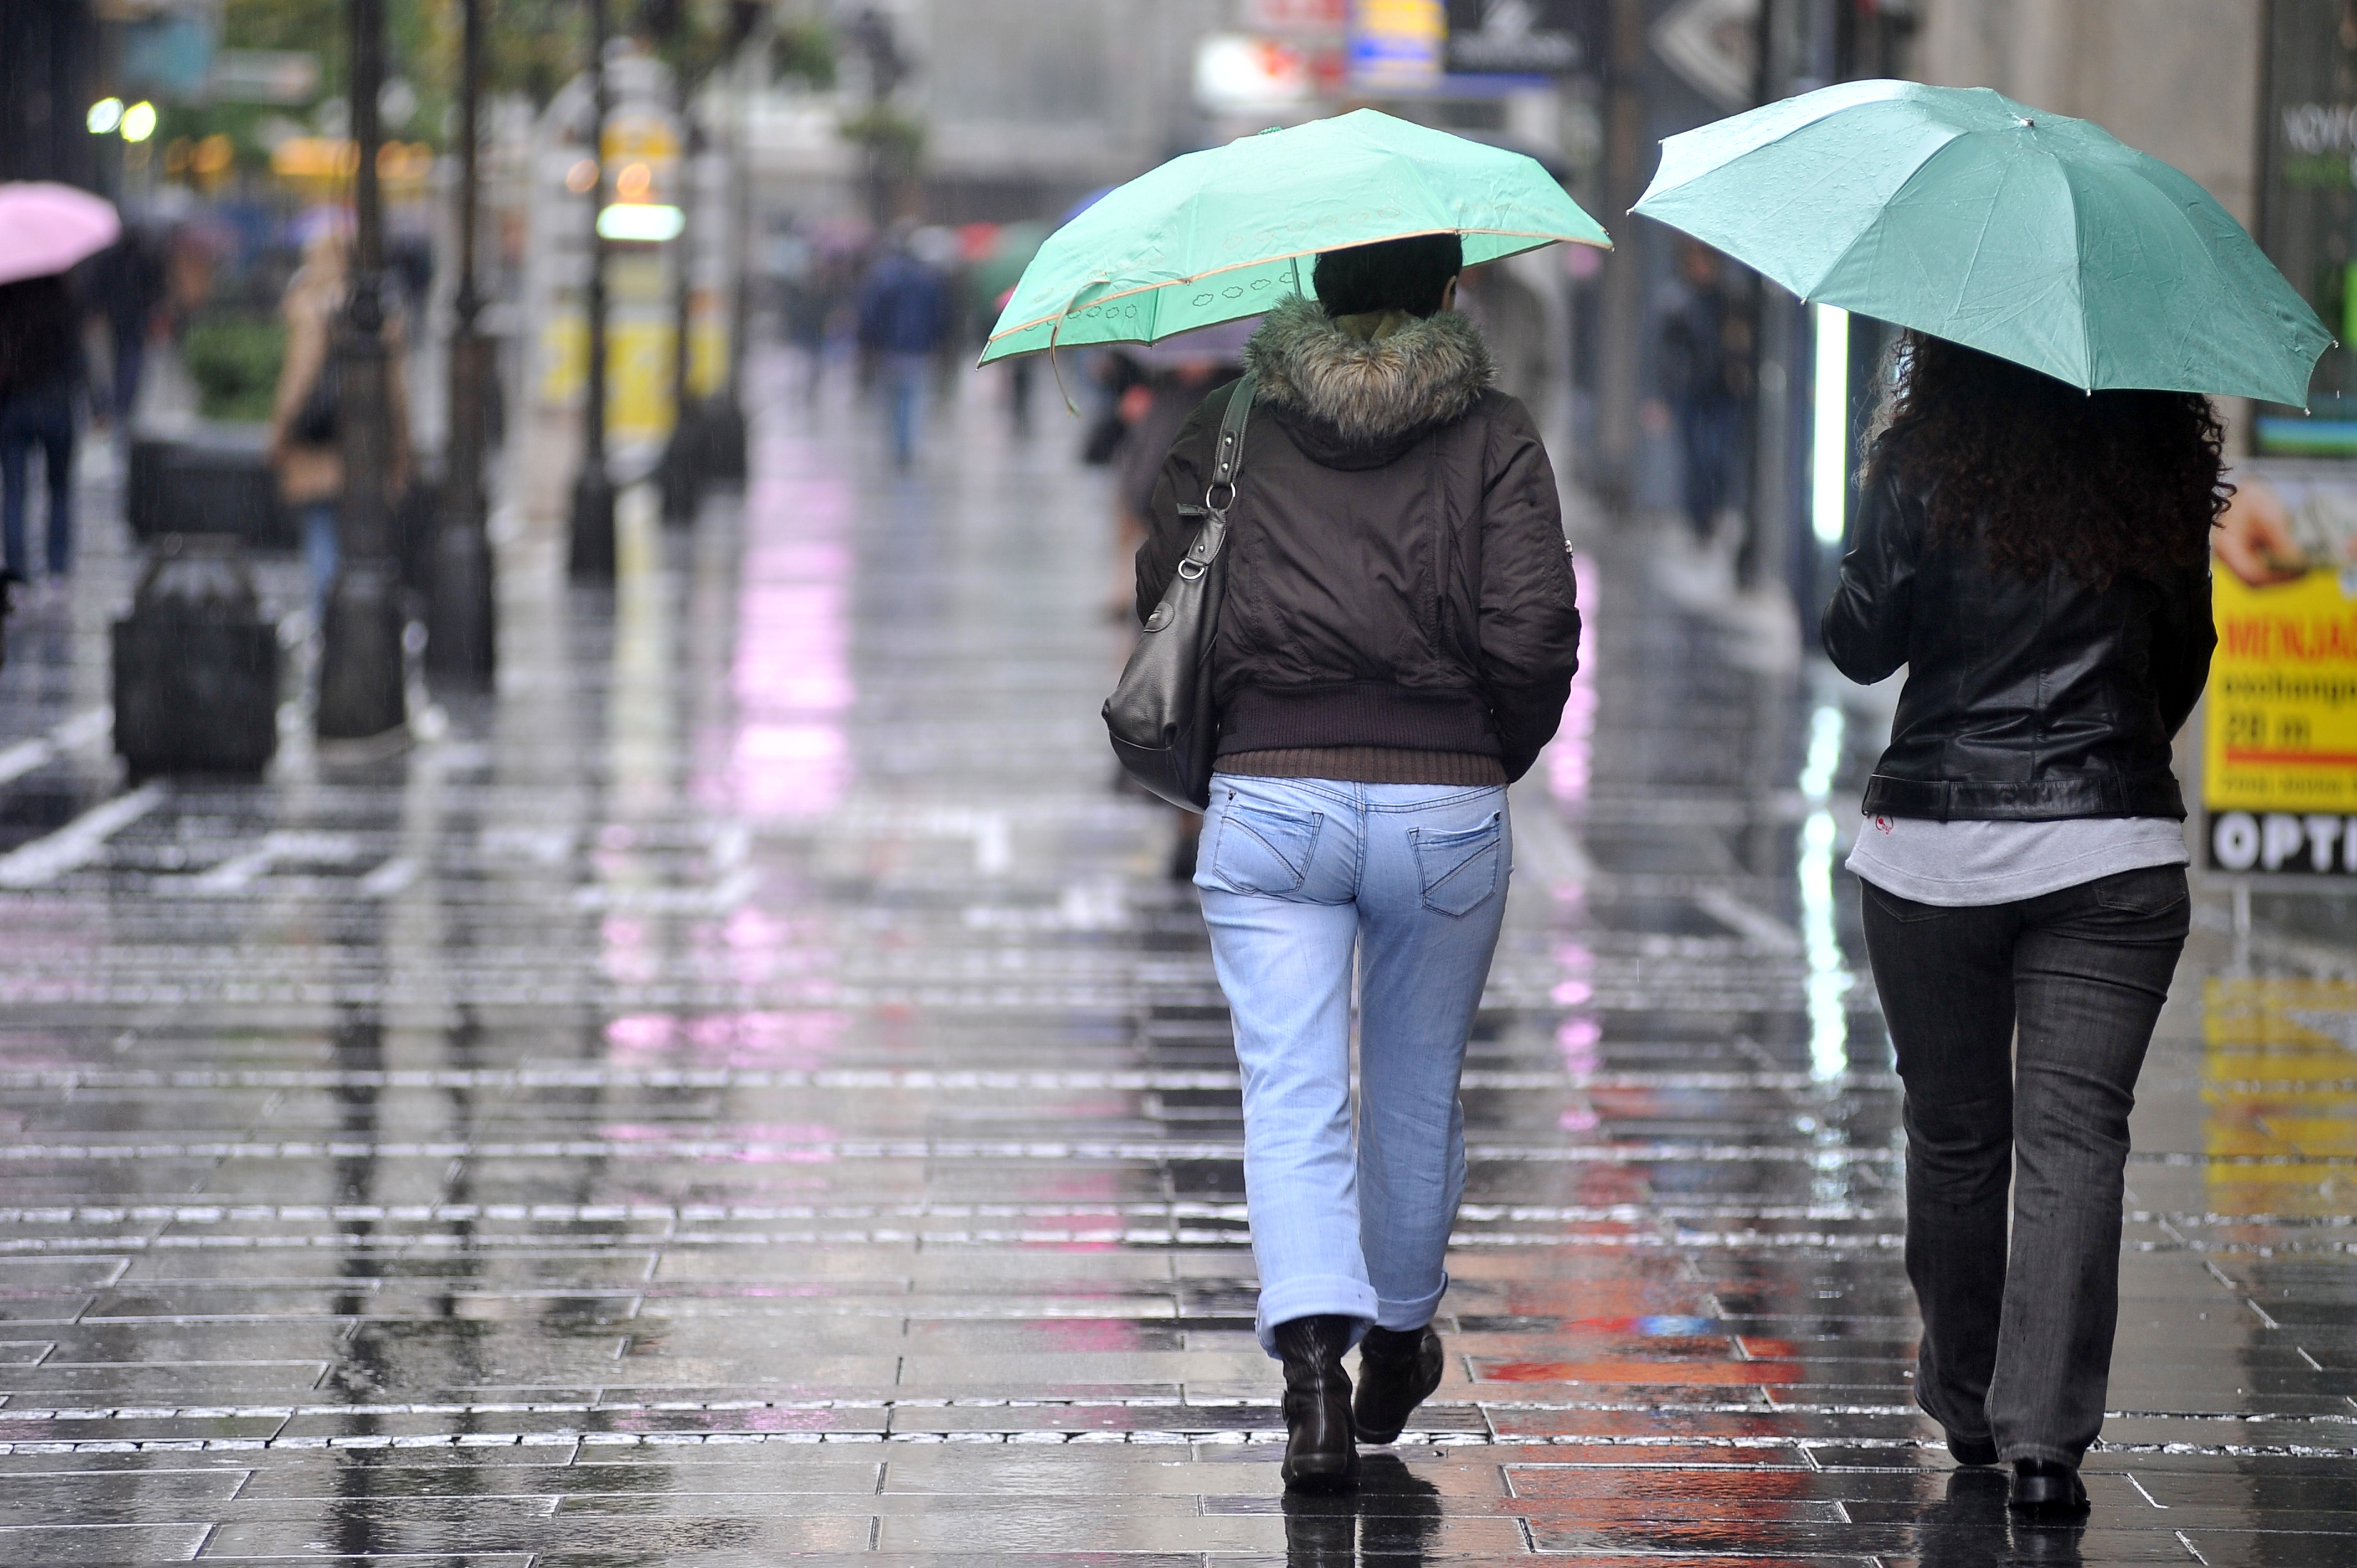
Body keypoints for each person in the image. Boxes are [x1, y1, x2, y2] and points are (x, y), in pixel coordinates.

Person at [1136, 234, 1582, 1493]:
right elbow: (1537, 623)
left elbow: (1166, 595)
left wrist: (1238, 745)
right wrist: (1490, 750)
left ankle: (1313, 1379)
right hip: (1444, 799)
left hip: (1270, 794)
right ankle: (1398, 1326)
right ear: (1450, 294)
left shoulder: (1230, 426)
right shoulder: (1493, 431)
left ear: (1311, 292)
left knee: (1290, 1090)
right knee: (1415, 1085)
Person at [1823, 331, 2221, 1519]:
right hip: (2115, 853)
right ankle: (2045, 1444)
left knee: (1955, 1140)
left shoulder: (1922, 462)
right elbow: (2184, 655)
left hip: (1936, 851)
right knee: (2073, 1141)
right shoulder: (2155, 469)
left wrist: (1873, 511)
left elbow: (1858, 643)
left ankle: (1963, 1401)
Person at [268, 226, 411, 626]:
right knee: (363, 539)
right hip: (364, 444)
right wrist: (402, 449)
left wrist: (279, 433)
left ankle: (328, 620)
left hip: (320, 444)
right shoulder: (384, 315)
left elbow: (297, 382)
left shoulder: (311, 310)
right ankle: (356, 620)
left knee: (321, 532)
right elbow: (398, 392)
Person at [1656, 239, 1750, 549]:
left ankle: (1712, 519)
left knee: (1717, 457)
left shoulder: (1726, 301)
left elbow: (1736, 344)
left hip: (1719, 392)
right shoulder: (1678, 304)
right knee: (1696, 460)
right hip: (1690, 393)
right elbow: (1665, 354)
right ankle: (1699, 525)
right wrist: (1663, 396)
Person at [0, 272, 86, 592]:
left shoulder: (6, 299)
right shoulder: (62, 299)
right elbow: (77, 357)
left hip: (15, 406)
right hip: (56, 406)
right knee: (60, 489)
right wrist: (95, 398)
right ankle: (57, 570)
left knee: (14, 493)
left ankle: (18, 574)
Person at [854, 229, 949, 470]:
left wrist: (869, 345)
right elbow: (939, 316)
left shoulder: (881, 277)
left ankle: (897, 446)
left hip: (889, 349)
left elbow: (869, 316)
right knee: (911, 399)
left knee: (892, 400)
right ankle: (904, 447)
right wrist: (938, 343)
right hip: (918, 348)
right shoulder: (928, 278)